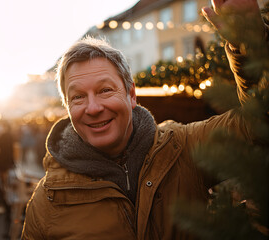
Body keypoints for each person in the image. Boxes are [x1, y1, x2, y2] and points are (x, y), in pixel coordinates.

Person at [21, 0, 268, 239]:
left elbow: (258, 125)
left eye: (105, 90)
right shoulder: (47, 202)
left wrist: (250, 44)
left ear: (131, 95)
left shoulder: (185, 148)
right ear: (67, 108)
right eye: (78, 97)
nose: (93, 108)